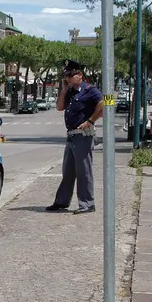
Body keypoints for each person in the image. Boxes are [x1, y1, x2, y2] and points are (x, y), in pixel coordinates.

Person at [46, 59, 104, 214]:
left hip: (83, 136)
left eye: (70, 75)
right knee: (68, 171)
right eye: (66, 76)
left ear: (80, 75)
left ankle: (87, 203)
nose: (68, 78)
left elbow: (103, 104)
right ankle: (61, 202)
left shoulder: (90, 90)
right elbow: (59, 107)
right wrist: (64, 90)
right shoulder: (70, 91)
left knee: (84, 171)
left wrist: (90, 121)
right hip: (71, 136)